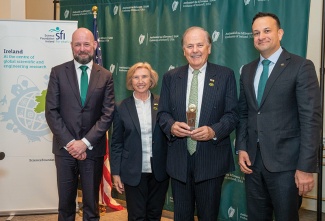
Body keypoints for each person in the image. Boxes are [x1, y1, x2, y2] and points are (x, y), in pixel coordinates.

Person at [236, 12, 322, 221]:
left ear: (280, 33)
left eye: (267, 31)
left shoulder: (301, 66)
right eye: (256, 33)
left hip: (287, 167)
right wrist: (242, 147)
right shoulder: (247, 71)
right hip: (253, 165)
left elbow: (311, 119)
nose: (261, 36)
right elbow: (244, 114)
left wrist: (305, 167)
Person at [157, 26, 239, 220]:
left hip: (211, 159)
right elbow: (163, 113)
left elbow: (232, 115)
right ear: (183, 50)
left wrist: (213, 131)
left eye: (200, 45)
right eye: (190, 46)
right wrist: (171, 126)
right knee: (182, 216)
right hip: (179, 160)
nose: (195, 50)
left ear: (209, 48)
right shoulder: (170, 77)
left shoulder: (225, 75)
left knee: (208, 216)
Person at [45, 27, 115, 221]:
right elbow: (51, 111)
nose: (82, 49)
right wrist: (71, 143)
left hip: (93, 150)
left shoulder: (106, 76)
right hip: (64, 150)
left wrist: (84, 142)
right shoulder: (58, 72)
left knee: (91, 207)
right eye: (78, 44)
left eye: (86, 44)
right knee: (65, 205)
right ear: (71, 47)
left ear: (94, 45)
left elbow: (107, 114)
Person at [110, 62, 169, 221]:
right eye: (136, 77)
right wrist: (115, 172)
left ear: (151, 80)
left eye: (144, 76)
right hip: (133, 170)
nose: (140, 81)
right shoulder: (121, 107)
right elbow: (116, 142)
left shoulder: (163, 103)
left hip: (159, 170)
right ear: (130, 81)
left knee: (154, 214)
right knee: (136, 216)